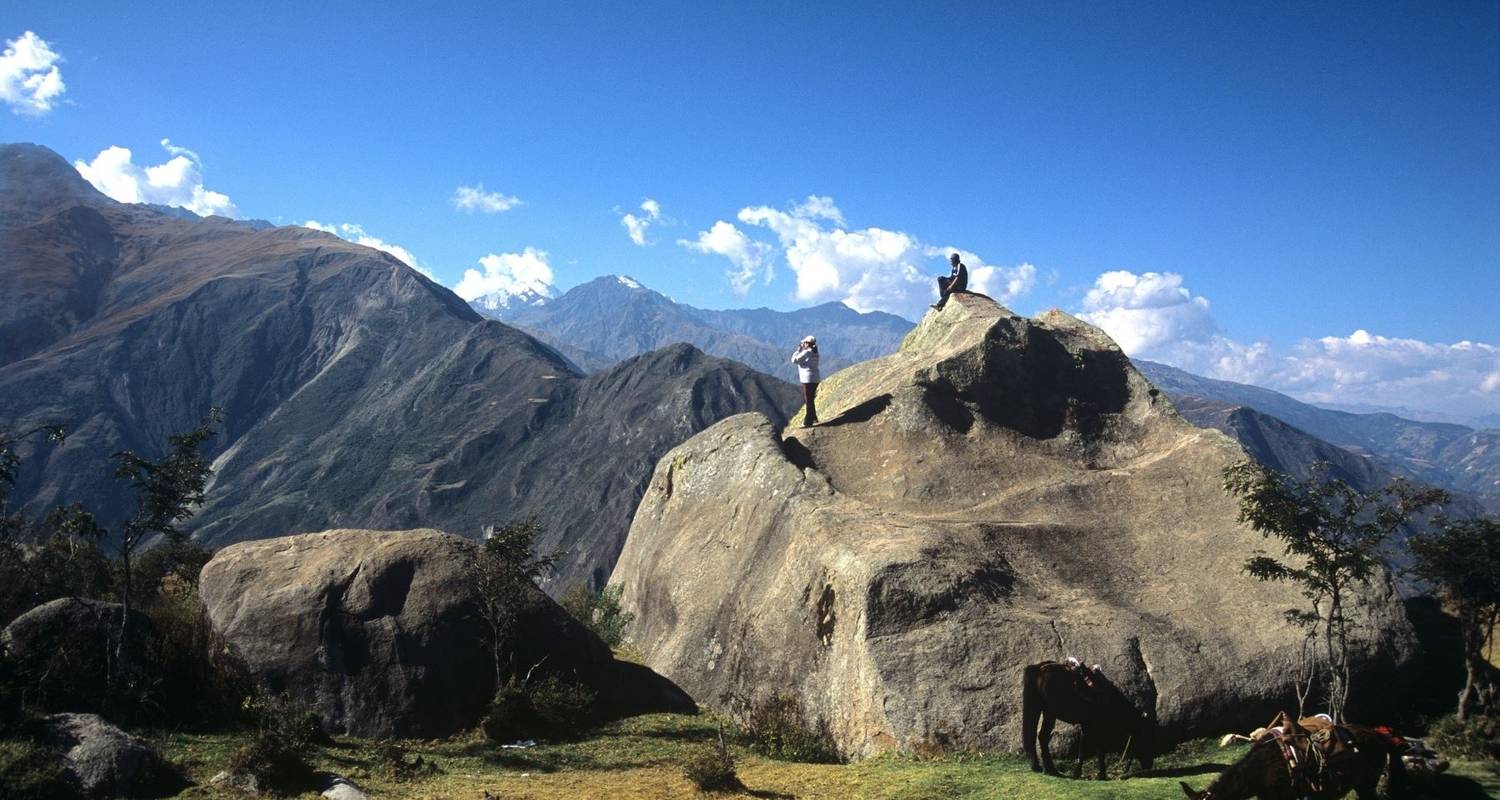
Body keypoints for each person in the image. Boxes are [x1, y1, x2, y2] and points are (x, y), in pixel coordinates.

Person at [792, 335, 820, 426]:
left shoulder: (807, 353)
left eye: (804, 343)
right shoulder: (815, 352)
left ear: (807, 343)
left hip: (807, 379)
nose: (803, 344)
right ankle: (814, 417)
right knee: (811, 399)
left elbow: (794, 360)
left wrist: (798, 350)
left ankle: (808, 421)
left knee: (808, 400)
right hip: (815, 378)